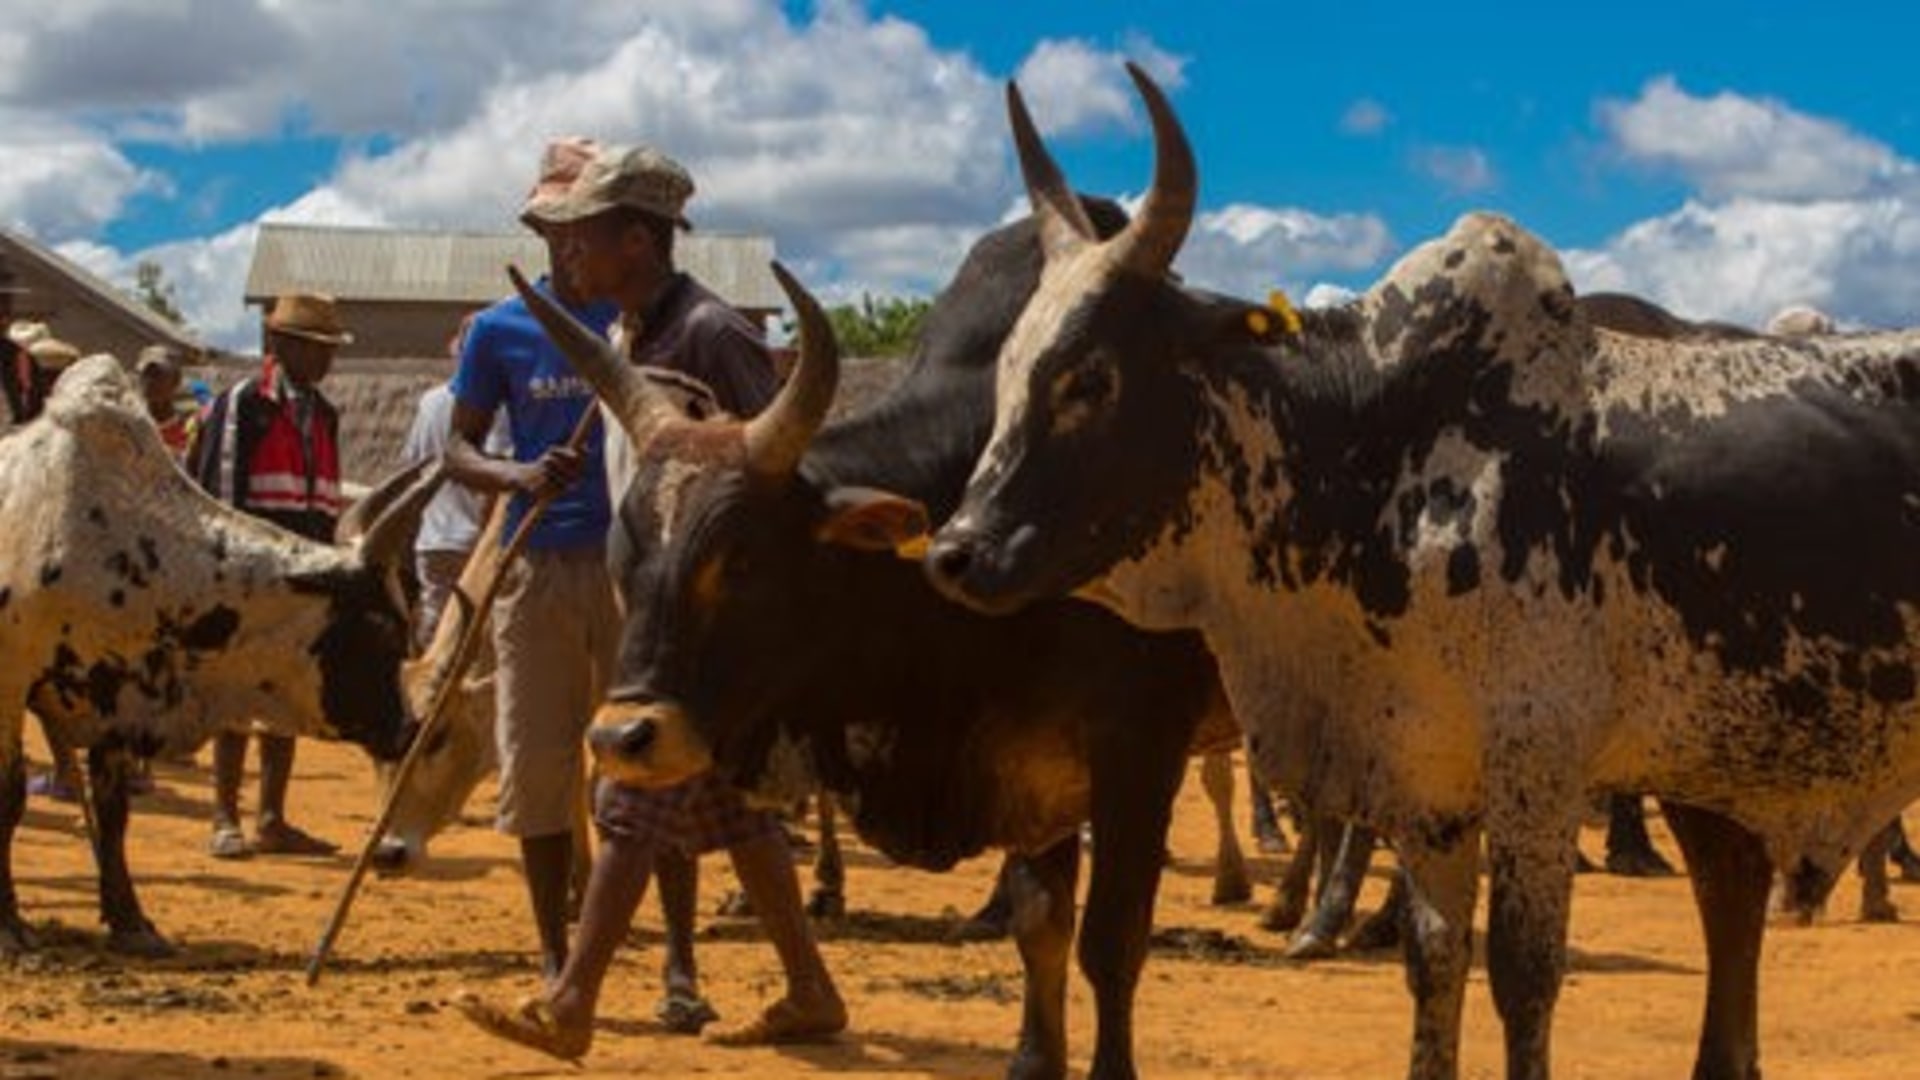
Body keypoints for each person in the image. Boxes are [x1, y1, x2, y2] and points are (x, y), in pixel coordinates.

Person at [453, 140, 844, 1061]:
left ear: (636, 237)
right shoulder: (636, 335)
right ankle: (810, 989)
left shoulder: (709, 334)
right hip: (673, 617)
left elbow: (778, 485)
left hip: (705, 634)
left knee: (629, 791)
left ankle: (571, 1001)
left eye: (579, 234)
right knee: (736, 810)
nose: (566, 254)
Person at [185, 293, 351, 859]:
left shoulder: (324, 414)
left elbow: (325, 502)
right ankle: (224, 816)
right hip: (250, 578)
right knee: (236, 692)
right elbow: (220, 497)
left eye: (331, 350)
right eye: (317, 349)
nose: (327, 361)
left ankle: (273, 818)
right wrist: (229, 577)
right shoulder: (242, 406)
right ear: (280, 346)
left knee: (286, 697)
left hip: (303, 576)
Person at [399, 318, 508, 653]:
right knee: (477, 640)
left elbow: (411, 471)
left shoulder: (429, 403)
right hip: (477, 542)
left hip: (434, 542)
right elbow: (499, 475)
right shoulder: (499, 407)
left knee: (435, 638)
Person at [136, 344, 192, 461]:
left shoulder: (190, 431)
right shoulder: (131, 428)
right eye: (144, 374)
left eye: (157, 374)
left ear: (176, 380)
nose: (149, 381)